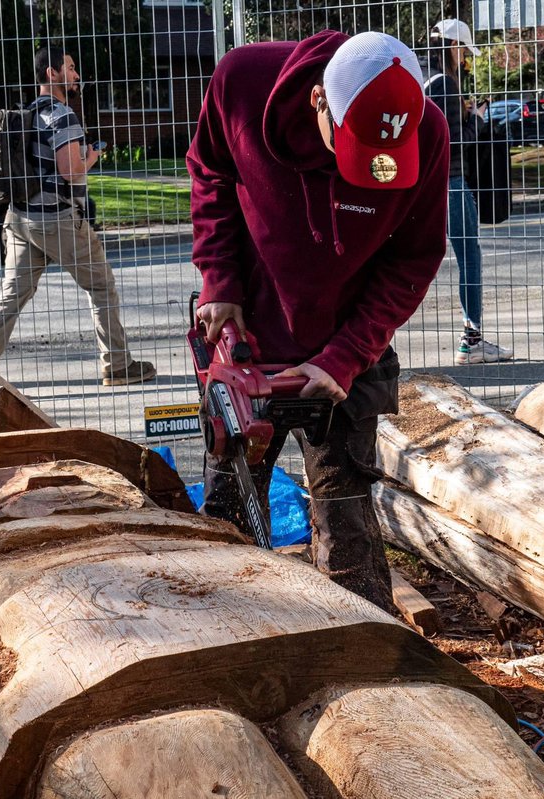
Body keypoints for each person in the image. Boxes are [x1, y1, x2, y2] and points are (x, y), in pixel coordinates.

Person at [187, 29, 450, 612]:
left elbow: (414, 259)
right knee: (229, 516)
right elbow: (210, 171)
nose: (370, 168)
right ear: (317, 101)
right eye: (353, 144)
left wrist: (346, 356)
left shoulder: (428, 133)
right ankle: (221, 646)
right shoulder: (242, 82)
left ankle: (369, 660)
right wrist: (219, 281)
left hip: (345, 346)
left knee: (347, 519)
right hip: (248, 335)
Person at [0, 43, 156, 386]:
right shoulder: (62, 115)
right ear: (52, 74)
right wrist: (92, 156)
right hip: (57, 221)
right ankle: (118, 365)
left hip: (21, 218)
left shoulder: (29, 113)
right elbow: (71, 171)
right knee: (102, 286)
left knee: (12, 294)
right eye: (69, 67)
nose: (76, 74)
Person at [421, 19, 512, 364]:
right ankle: (472, 340)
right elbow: (453, 141)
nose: (465, 59)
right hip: (451, 182)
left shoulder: (420, 78)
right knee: (469, 258)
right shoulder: (444, 82)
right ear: (452, 47)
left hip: (425, 184)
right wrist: (477, 119)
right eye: (463, 50)